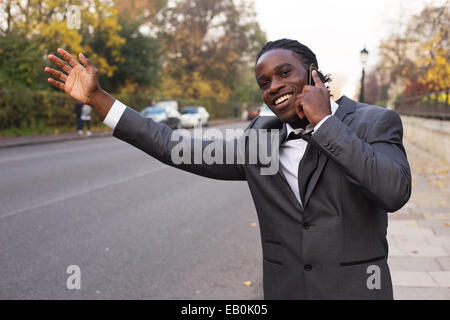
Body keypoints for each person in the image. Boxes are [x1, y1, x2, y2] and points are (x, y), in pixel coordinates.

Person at [44, 39, 411, 300]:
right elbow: (175, 147)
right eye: (264, 83)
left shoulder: (373, 122)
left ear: (314, 74)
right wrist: (99, 99)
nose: (275, 87)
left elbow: (393, 191)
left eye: (285, 73)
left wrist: (325, 124)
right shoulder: (260, 140)